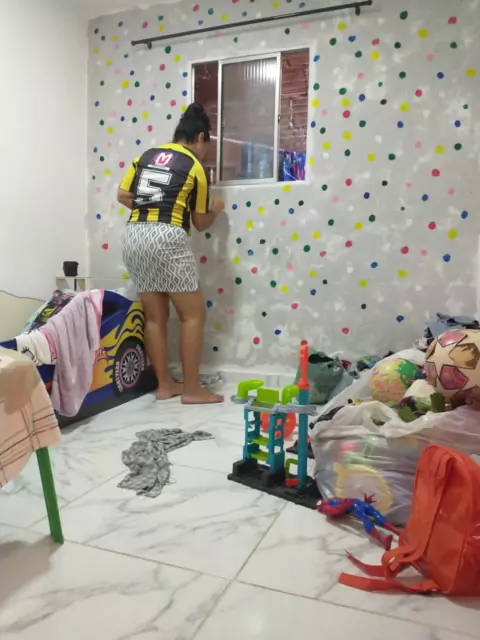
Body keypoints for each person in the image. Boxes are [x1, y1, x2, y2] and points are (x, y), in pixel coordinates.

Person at [117, 103, 224, 404]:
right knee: (192, 315)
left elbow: (122, 194)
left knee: (155, 317)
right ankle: (191, 390)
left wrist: (150, 205)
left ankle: (165, 386)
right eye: (207, 145)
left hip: (134, 235)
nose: (205, 152)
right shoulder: (194, 166)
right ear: (200, 137)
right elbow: (200, 222)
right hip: (167, 237)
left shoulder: (145, 156)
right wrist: (216, 209)